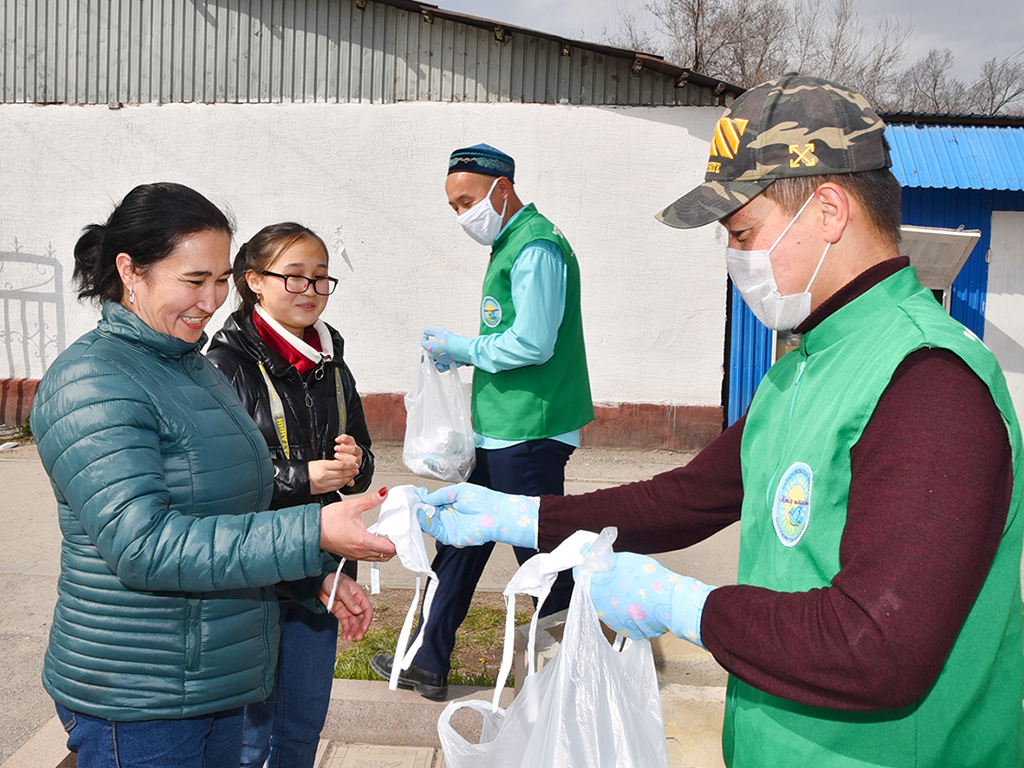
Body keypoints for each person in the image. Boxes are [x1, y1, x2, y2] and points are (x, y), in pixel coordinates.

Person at [415, 76, 1023, 767]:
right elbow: (687, 498)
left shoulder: (928, 384)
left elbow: (877, 647)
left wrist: (686, 606)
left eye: (742, 232)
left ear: (828, 210)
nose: (734, 259)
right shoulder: (805, 365)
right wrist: (514, 517)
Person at [30, 183, 397, 768]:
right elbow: (143, 545)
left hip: (215, 679)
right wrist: (312, 534)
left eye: (220, 279)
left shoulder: (190, 368)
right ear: (131, 271)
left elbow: (231, 510)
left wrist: (307, 577)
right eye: (193, 280)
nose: (211, 299)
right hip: (140, 695)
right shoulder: (93, 382)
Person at [371, 143, 594, 700]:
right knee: (463, 540)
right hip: (504, 428)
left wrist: (463, 348)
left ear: (503, 188)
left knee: (542, 555)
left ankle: (584, 668)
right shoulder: (510, 243)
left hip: (530, 431)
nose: (462, 215)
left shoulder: (536, 246)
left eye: (467, 200)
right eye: (453, 206)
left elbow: (534, 343)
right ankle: (427, 659)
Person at [206, 222, 373, 768]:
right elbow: (226, 477)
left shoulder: (331, 361)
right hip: (254, 577)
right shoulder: (225, 364)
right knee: (256, 730)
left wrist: (354, 463)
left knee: (302, 722)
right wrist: (306, 478)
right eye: (294, 277)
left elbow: (364, 461)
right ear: (253, 280)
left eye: (322, 279)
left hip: (320, 563)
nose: (310, 291)